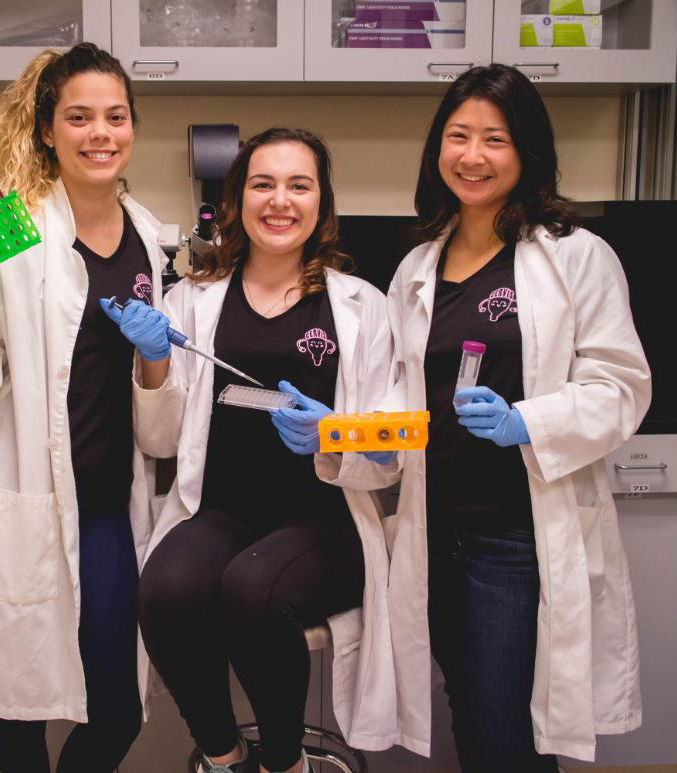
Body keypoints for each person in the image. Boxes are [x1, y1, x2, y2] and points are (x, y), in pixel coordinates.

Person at [383, 64, 651, 771]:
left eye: (493, 139)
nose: (472, 156)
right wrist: (340, 426)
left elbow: (621, 384)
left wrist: (525, 420)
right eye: (458, 136)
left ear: (525, 151)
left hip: (514, 536)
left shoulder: (573, 255)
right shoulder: (416, 266)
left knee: (506, 730)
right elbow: (393, 394)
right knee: (467, 711)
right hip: (432, 528)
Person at [122, 127, 400, 773]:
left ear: (321, 203)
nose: (280, 200)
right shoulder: (190, 300)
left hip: (325, 518)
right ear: (235, 200)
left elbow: (392, 444)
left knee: (251, 587)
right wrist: (155, 360)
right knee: (165, 587)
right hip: (222, 512)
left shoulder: (364, 307)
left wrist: (335, 432)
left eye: (298, 185)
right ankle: (224, 756)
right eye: (262, 184)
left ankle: (283, 763)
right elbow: (158, 439)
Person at [0, 43, 172, 773]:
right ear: (47, 131)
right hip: (24, 500)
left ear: (132, 126)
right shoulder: (8, 228)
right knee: (22, 700)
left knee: (119, 709)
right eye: (79, 117)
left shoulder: (149, 237)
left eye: (115, 116)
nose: (100, 133)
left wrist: (156, 357)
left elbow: (156, 428)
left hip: (105, 506)